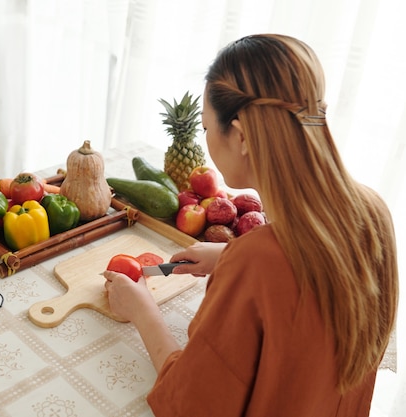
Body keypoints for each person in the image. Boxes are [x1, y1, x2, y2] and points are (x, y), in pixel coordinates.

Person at [103, 34, 398, 417]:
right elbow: (314, 281)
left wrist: (142, 309)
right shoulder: (375, 214)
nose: (206, 140)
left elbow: (191, 405)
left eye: (207, 129)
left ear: (240, 136)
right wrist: (228, 253)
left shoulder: (257, 261)